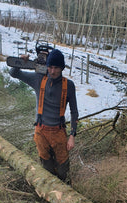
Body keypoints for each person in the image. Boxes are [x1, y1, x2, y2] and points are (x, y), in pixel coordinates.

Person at [9, 49, 79, 182]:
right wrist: (21, 62)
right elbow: (14, 73)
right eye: (50, 67)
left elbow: (74, 111)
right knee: (47, 168)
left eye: (56, 68)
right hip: (41, 131)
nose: (52, 71)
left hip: (58, 132)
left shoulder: (68, 85)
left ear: (62, 68)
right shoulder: (38, 78)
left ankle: (66, 192)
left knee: (63, 168)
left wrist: (72, 136)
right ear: (47, 66)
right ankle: (50, 192)